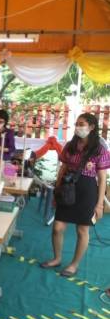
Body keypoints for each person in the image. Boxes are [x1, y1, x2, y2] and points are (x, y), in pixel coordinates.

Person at [40, 113, 109, 277]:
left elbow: (102, 178)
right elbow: (63, 168)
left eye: (82, 124)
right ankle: (57, 258)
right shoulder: (71, 146)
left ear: (91, 127)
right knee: (57, 227)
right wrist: (57, 191)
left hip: (87, 191)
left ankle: (74, 264)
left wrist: (99, 204)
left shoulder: (99, 149)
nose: (78, 127)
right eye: (77, 123)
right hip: (67, 188)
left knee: (82, 230)